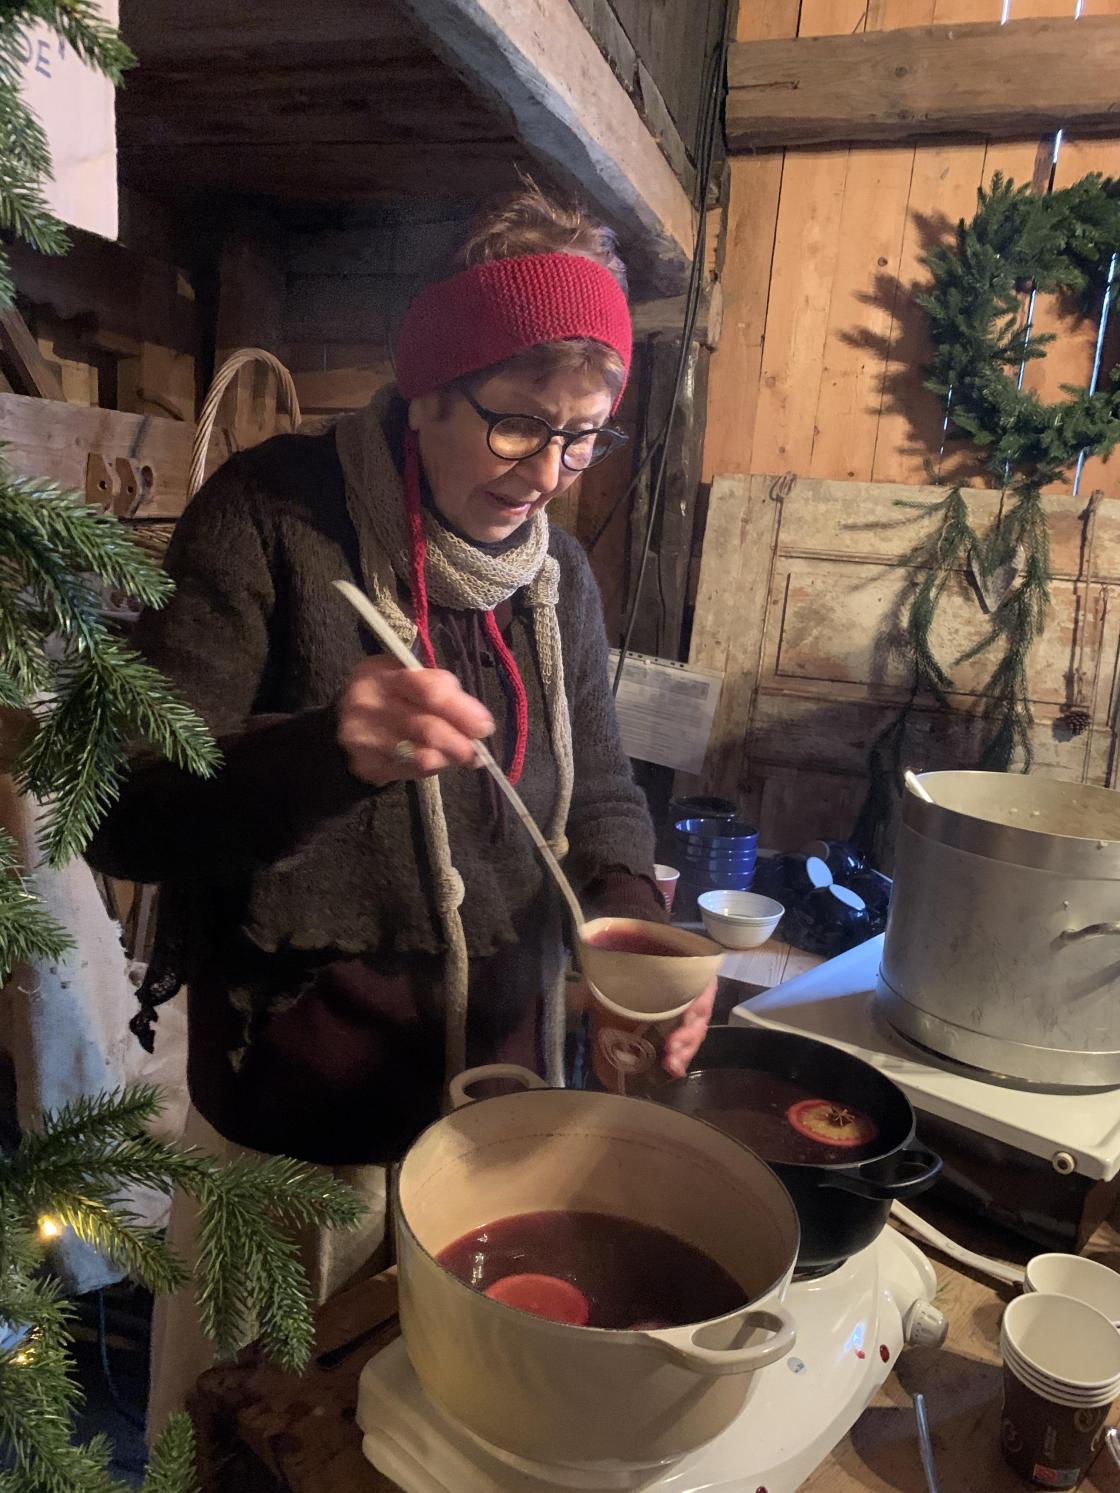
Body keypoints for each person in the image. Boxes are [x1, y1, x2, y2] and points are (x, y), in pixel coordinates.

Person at [86, 182, 715, 1430]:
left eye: (585, 436)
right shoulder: (269, 519)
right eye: (515, 425)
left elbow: (604, 812)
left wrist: (633, 941)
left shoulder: (562, 583)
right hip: (295, 1136)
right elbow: (125, 806)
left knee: (447, 1441)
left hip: (497, 1135)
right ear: (428, 386)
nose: (549, 472)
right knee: (252, 1440)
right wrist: (329, 749)